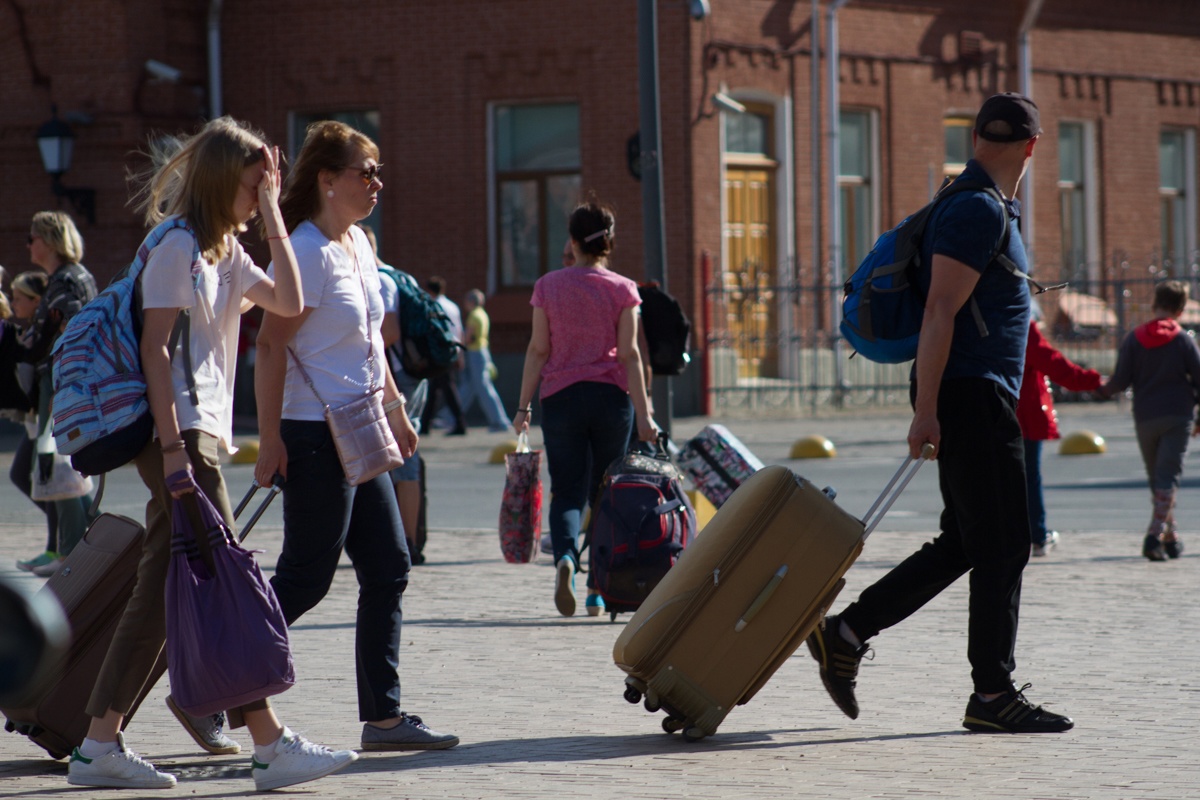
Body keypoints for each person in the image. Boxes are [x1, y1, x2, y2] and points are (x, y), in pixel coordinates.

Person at [69, 117, 358, 791]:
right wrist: (172, 449)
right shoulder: (176, 245)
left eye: (265, 185)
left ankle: (98, 744)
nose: (260, 196)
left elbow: (289, 299)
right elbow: (154, 352)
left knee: (162, 594)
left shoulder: (225, 252)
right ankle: (268, 744)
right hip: (177, 433)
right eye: (254, 184)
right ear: (224, 179)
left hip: (196, 437)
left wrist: (274, 218)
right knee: (224, 578)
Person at [806, 93, 1074, 733]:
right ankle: (991, 696)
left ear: (976, 135)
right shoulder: (978, 208)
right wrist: (926, 410)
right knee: (1006, 544)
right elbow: (938, 312)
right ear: (1033, 148)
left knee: (970, 541)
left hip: (970, 392)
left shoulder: (980, 202)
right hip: (969, 394)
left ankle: (846, 633)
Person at [253, 120, 459, 751]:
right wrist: (268, 441)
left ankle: (384, 720)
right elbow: (268, 345)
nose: (376, 183)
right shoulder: (306, 252)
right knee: (306, 580)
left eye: (378, 171)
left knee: (390, 567)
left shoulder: (360, 245)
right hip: (312, 435)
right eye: (364, 171)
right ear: (325, 179)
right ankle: (211, 683)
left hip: (362, 428)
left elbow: (372, 343)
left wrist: (397, 409)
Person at [514, 199, 657, 617]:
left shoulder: (548, 286)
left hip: (560, 399)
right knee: (606, 493)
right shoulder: (623, 289)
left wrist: (522, 406)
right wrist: (645, 416)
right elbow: (630, 355)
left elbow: (539, 349)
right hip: (612, 400)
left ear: (573, 241)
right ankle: (598, 588)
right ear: (609, 242)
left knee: (568, 491)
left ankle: (565, 560)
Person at [1096, 280, 1200, 561]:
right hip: (1178, 415)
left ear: (1155, 304)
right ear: (1180, 310)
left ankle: (1170, 536)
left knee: (1158, 478)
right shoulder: (1183, 340)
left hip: (1145, 416)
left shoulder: (1134, 338)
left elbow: (1119, 381)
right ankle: (1154, 537)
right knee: (1168, 477)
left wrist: (1093, 384)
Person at [19, 212, 98, 575]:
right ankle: (82, 542)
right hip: (61, 380)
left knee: (59, 463)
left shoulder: (66, 281)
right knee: (58, 466)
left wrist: (62, 388)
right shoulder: (65, 278)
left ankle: (72, 550)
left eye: (32, 237)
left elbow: (74, 337)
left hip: (62, 380)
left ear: (49, 241)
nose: (28, 244)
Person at [362, 223, 427, 565]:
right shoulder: (400, 277)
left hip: (398, 379)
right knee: (400, 458)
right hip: (410, 375)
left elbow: (387, 333)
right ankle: (405, 538)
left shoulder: (381, 281)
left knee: (403, 459)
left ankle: (406, 541)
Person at [1018, 309, 1101, 556]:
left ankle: (1006, 533)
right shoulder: (1020, 321)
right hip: (1024, 412)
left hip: (992, 409)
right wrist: (1092, 381)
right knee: (1028, 476)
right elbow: (1051, 361)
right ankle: (1036, 535)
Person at [6, 271, 56, 574]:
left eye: (19, 298)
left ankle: (59, 544)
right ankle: (74, 532)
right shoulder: (31, 331)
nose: (13, 303)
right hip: (33, 419)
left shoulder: (44, 331)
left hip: (45, 417)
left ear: (36, 301)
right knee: (27, 476)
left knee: (51, 483)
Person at [459, 289, 510, 433]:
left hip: (475, 352)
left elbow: (467, 337)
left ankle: (500, 421)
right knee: (470, 387)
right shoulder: (482, 314)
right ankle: (452, 416)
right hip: (482, 351)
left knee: (483, 387)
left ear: (470, 301)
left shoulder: (473, 316)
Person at [422, 276, 468, 436]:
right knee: (438, 388)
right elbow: (460, 331)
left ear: (429, 291)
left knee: (446, 388)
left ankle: (460, 423)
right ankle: (425, 424)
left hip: (440, 351)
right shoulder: (452, 306)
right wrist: (460, 354)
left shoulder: (434, 306)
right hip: (453, 349)